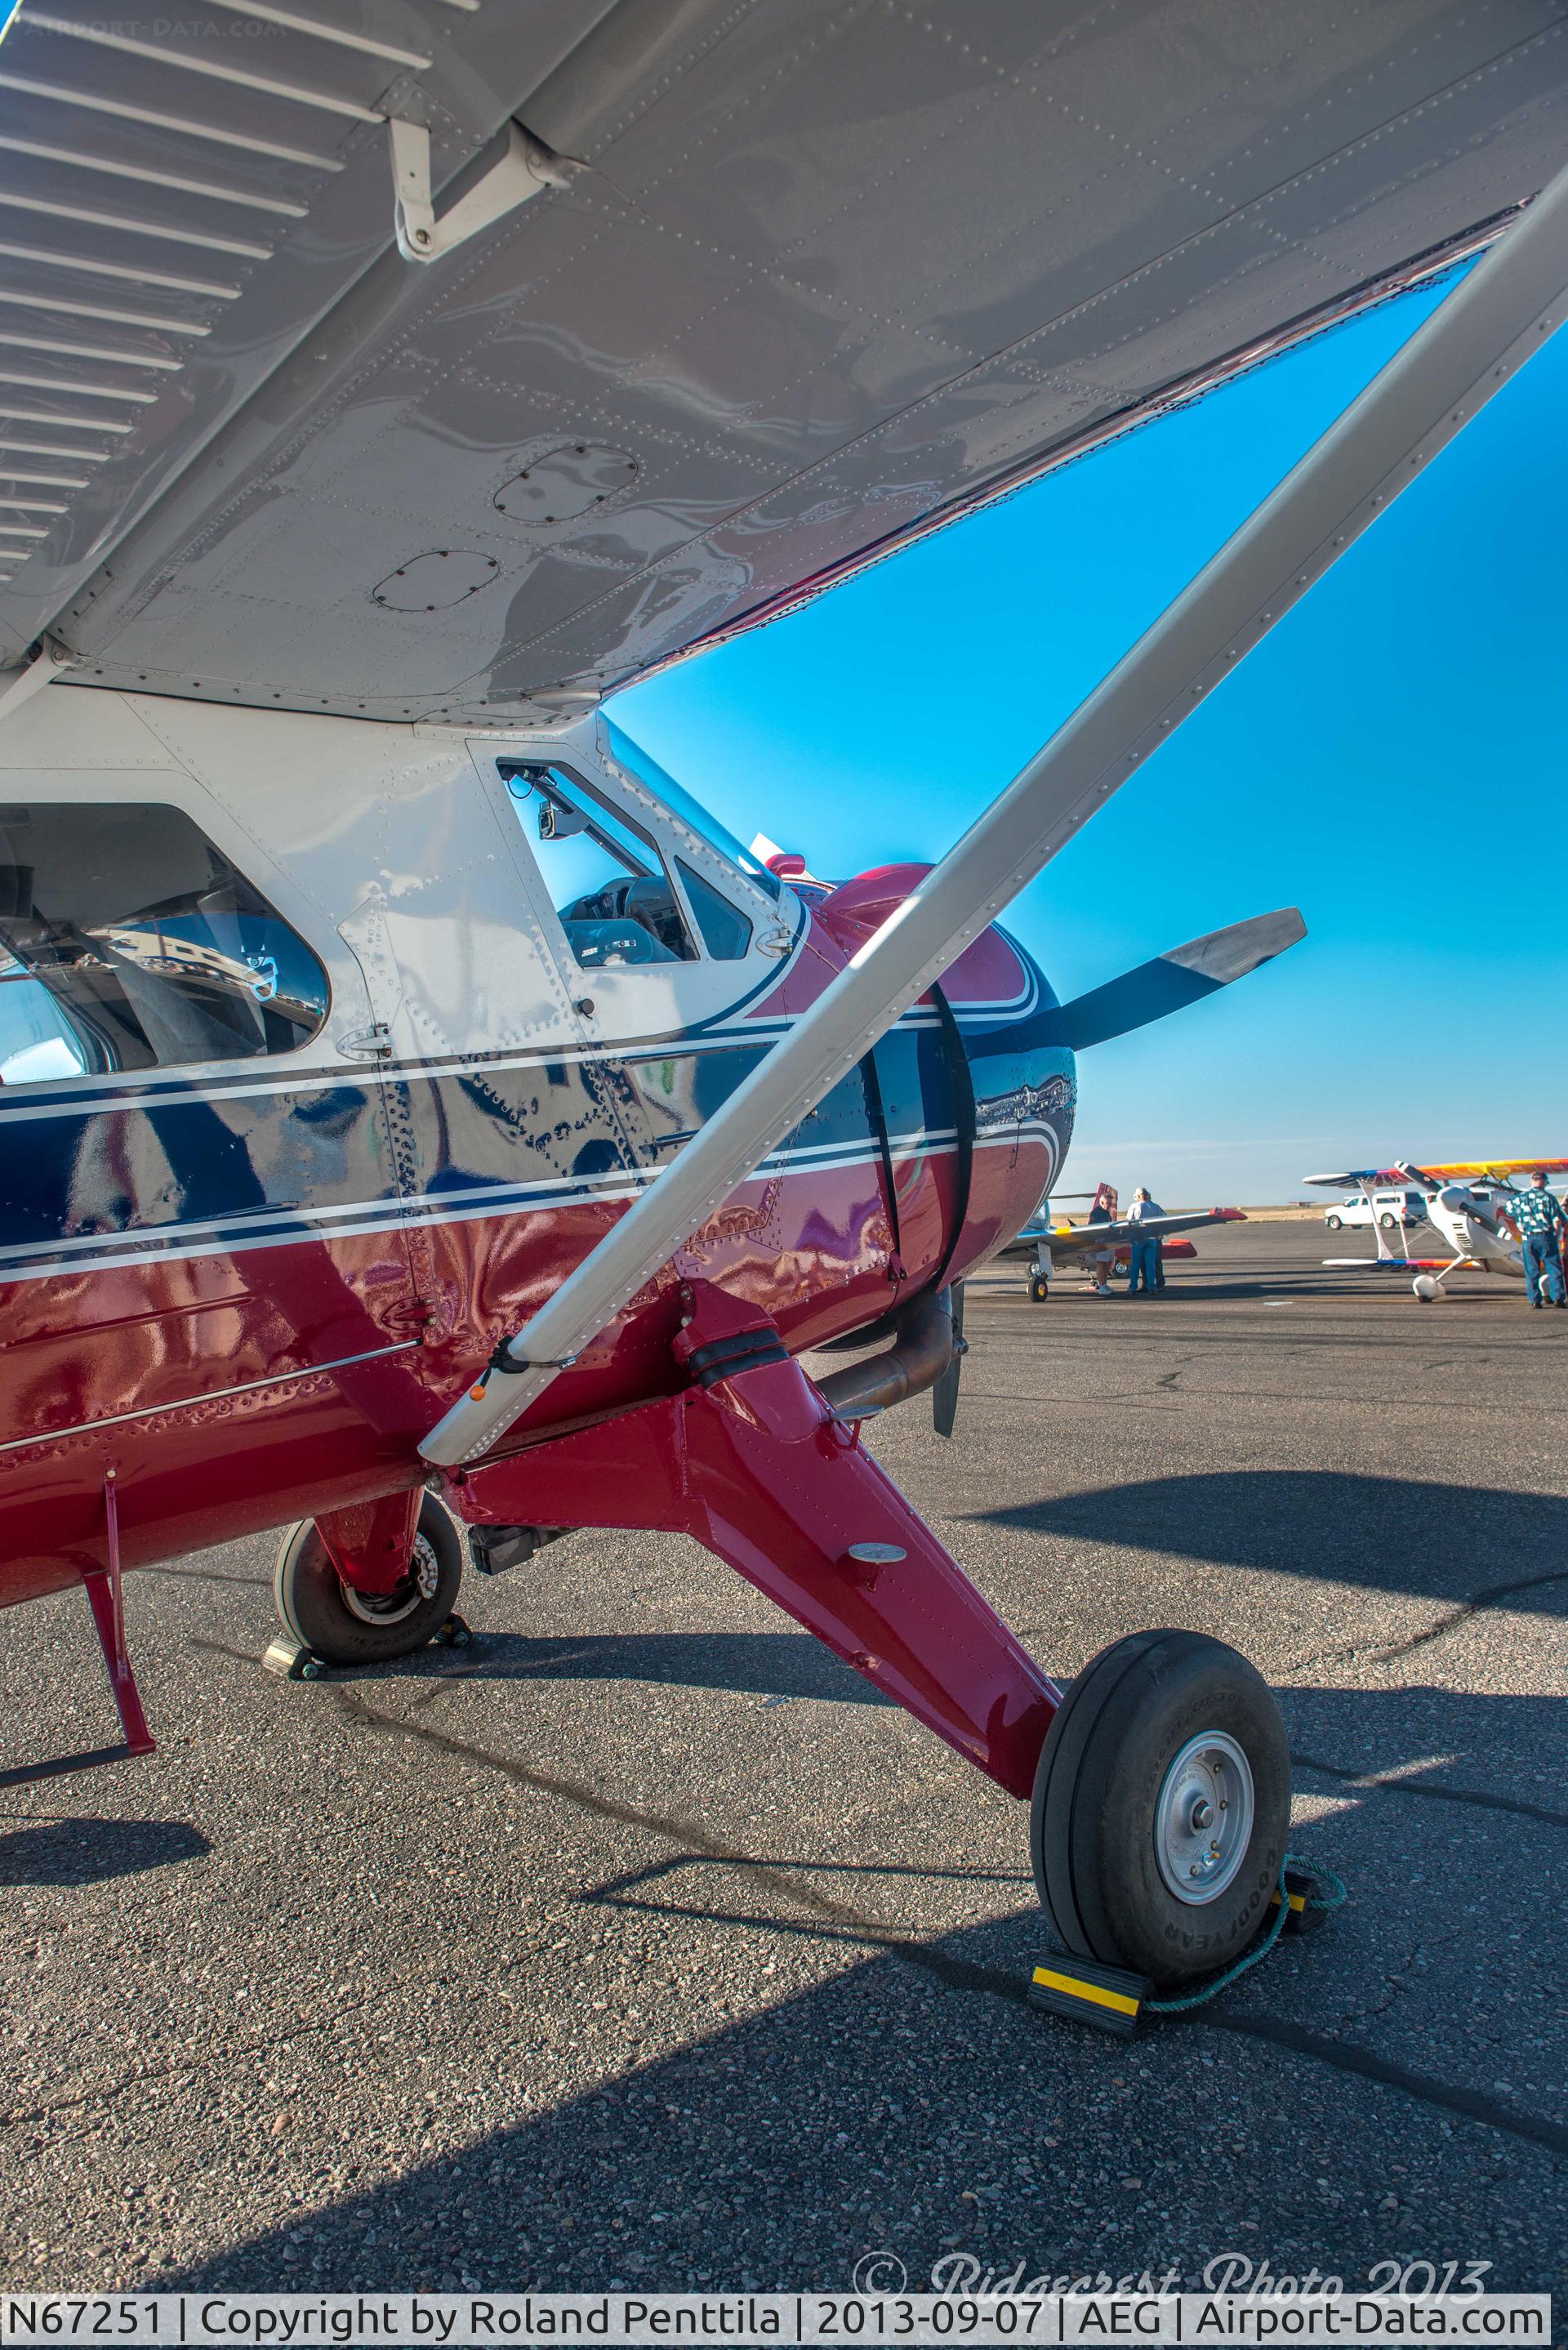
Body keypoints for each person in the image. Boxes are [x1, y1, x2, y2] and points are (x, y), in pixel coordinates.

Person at [1497, 1169, 1566, 1308]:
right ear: (1545, 1182)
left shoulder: (1520, 1199)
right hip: (1546, 1237)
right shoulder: (1549, 1198)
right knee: (1553, 1268)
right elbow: (1558, 1221)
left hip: (1528, 1238)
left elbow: (1507, 1211)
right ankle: (1558, 1298)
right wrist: (1556, 1236)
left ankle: (1535, 1301)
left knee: (1532, 1270)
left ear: (1532, 1181)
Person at [1126, 1185, 1164, 1295]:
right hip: (1152, 1239)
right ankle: (1151, 1286)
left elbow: (1129, 1224)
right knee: (1151, 1264)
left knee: (1136, 1264)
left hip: (1138, 1240)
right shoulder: (1156, 1207)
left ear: (1138, 1196)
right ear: (1147, 1195)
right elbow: (1162, 1223)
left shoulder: (1134, 1207)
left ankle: (1133, 1287)